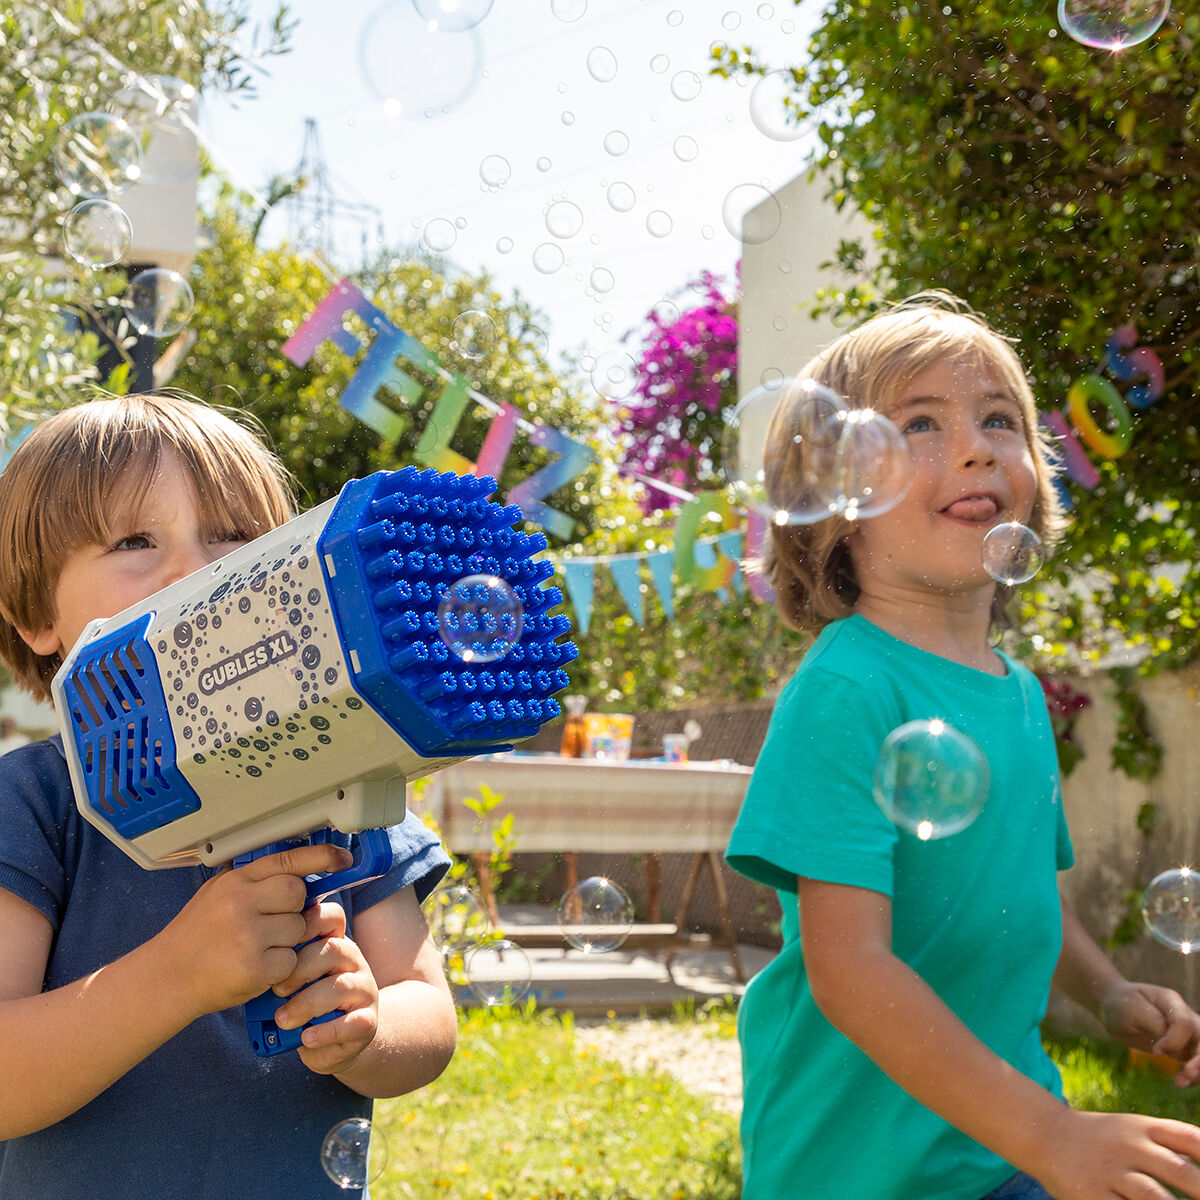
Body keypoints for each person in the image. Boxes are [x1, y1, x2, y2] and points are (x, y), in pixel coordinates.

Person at [726, 294, 1200, 1200]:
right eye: (919, 424)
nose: (977, 446)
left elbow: (1029, 898)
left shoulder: (1018, 694)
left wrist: (1109, 997)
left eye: (997, 419)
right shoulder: (847, 689)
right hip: (857, 1171)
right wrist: (1055, 1134)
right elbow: (850, 971)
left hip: (1001, 1154)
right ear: (833, 505)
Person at [0, 394, 457, 1197]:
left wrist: (369, 1028)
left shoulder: (340, 778)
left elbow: (428, 1011)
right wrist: (178, 974)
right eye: (135, 541)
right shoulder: (34, 804)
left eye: (235, 538)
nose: (197, 572)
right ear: (37, 615)